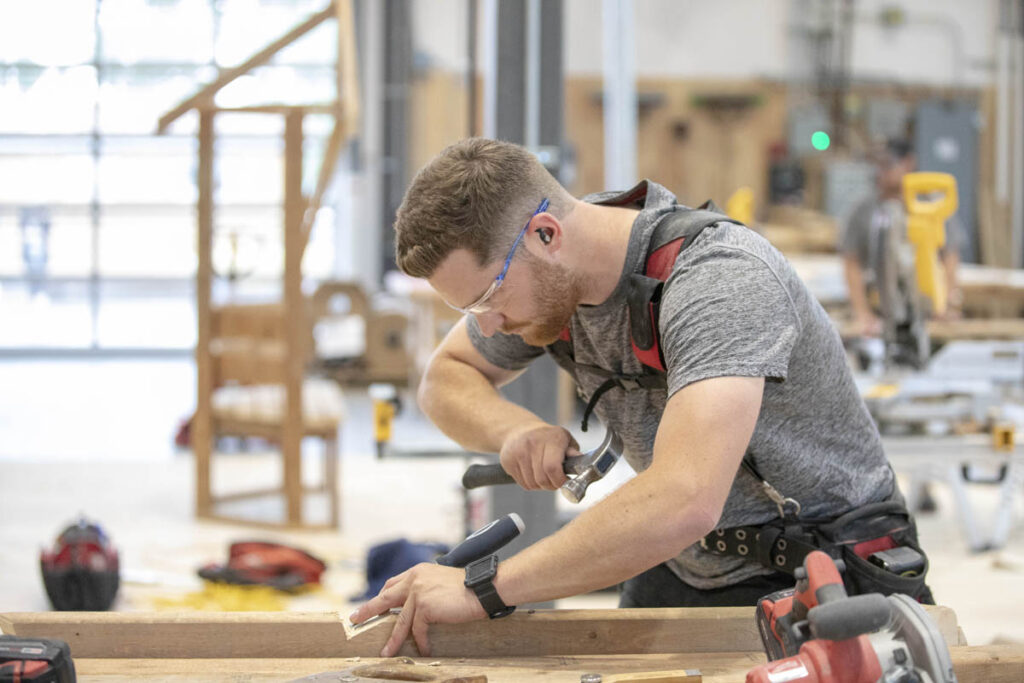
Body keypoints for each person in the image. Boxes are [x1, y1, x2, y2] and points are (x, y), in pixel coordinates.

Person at [350, 138, 931, 657]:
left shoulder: (719, 280)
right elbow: (446, 375)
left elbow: (684, 496)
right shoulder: (553, 270)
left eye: (486, 300)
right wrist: (513, 431)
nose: (491, 326)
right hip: (686, 564)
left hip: (829, 569)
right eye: (471, 311)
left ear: (546, 234)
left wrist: (483, 587)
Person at [840, 139, 962, 342]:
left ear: (908, 163)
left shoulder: (932, 206)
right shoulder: (863, 211)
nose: (882, 172)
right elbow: (851, 263)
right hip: (882, 308)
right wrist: (862, 313)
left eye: (889, 165)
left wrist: (947, 304)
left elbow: (950, 257)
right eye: (879, 165)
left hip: (928, 308)